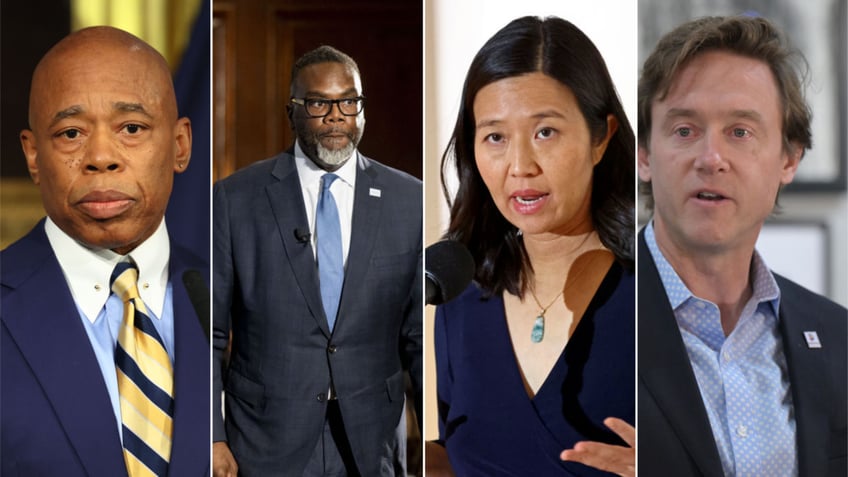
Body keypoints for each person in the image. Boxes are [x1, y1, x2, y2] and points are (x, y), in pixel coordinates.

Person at [637, 15, 847, 477]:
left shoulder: (838, 337)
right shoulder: (594, 314)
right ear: (645, 156)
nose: (711, 158)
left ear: (788, 159)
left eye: (740, 132)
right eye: (685, 130)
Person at [427, 16, 635, 476]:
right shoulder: (459, 294)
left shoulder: (658, 290)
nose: (520, 166)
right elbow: (465, 453)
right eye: (495, 137)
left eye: (545, 132)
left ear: (601, 138)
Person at [0, 26, 210, 476]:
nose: (100, 156)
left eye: (131, 128)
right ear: (34, 156)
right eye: (71, 133)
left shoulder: (241, 300)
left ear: (180, 145)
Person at [212, 46, 422, 477]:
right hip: (264, 440)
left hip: (371, 442)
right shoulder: (235, 200)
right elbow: (208, 333)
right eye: (318, 103)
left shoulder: (410, 200)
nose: (335, 116)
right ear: (291, 112)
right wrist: (211, 436)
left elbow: (419, 337)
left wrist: (441, 440)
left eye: (349, 101)